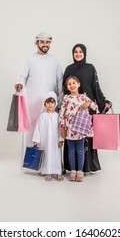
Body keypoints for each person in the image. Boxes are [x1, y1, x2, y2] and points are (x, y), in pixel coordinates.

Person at [62, 44, 112, 174]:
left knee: (86, 138)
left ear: (84, 53)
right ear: (72, 54)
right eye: (75, 52)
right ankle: (73, 168)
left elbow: (96, 87)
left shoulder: (90, 68)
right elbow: (64, 89)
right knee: (72, 139)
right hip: (72, 110)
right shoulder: (69, 69)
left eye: (80, 52)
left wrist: (103, 102)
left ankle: (86, 167)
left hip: (87, 109)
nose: (78, 54)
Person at [15, 32, 63, 167]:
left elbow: (60, 81)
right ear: (37, 43)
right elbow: (22, 76)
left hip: (50, 104)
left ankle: (48, 165)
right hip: (33, 104)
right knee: (33, 132)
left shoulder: (55, 60)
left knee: (50, 133)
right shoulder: (30, 59)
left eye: (47, 42)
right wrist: (19, 83)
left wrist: (59, 100)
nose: (45, 45)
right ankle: (31, 164)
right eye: (42, 42)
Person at [59, 76, 98, 182]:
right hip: (69, 128)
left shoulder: (83, 97)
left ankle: (80, 171)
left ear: (79, 84)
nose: (72, 85)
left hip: (80, 129)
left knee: (80, 150)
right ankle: (73, 171)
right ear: (67, 87)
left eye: (74, 83)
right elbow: (61, 114)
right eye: (69, 84)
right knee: (71, 150)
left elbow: (95, 107)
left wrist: (88, 104)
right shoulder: (66, 99)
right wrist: (62, 127)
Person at [32, 92, 64, 181]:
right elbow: (38, 128)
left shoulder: (57, 116)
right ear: (45, 104)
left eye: (52, 102)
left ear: (55, 103)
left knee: (56, 156)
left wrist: (61, 139)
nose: (50, 104)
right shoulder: (42, 116)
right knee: (46, 155)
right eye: (48, 102)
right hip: (45, 141)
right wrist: (36, 140)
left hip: (55, 141)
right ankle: (48, 172)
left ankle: (58, 172)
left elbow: (60, 129)